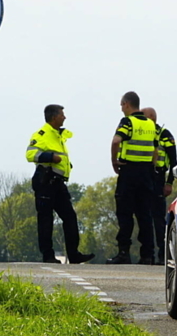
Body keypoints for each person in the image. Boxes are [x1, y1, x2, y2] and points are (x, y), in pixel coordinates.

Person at [25, 104, 94, 264]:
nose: (65, 117)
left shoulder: (58, 135)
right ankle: (48, 256)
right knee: (46, 220)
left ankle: (74, 254)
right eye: (62, 114)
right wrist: (50, 157)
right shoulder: (42, 134)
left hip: (58, 183)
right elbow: (30, 154)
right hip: (45, 181)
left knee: (70, 217)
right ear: (54, 117)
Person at [107, 91, 157, 265]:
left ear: (126, 104)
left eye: (122, 105)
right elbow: (155, 150)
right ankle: (147, 255)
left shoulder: (127, 122)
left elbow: (116, 141)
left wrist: (114, 161)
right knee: (145, 215)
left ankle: (124, 253)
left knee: (125, 213)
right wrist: (151, 168)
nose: (121, 109)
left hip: (129, 172)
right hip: (146, 173)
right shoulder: (150, 124)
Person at [142, 107, 177, 265]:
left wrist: (169, 183)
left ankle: (163, 254)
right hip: (143, 178)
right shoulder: (142, 133)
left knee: (158, 218)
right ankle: (147, 255)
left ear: (150, 117)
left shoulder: (164, 134)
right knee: (144, 217)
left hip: (158, 179)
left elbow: (174, 161)